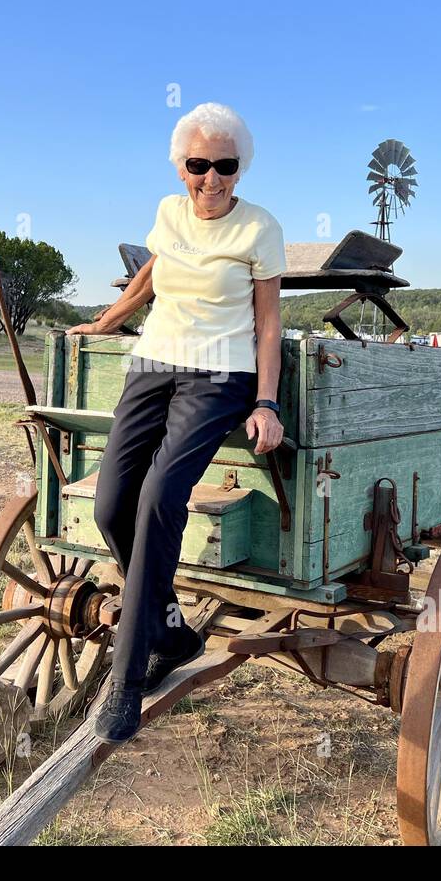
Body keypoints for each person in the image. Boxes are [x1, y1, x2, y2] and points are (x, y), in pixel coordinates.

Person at [66, 103, 286, 744]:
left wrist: (266, 403)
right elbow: (150, 277)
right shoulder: (168, 213)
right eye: (199, 165)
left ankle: (129, 677)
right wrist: (106, 322)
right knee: (111, 506)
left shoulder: (259, 228)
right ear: (181, 166)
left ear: (240, 170)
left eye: (225, 166)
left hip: (220, 375)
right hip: (152, 365)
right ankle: (168, 626)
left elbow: (268, 321)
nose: (211, 179)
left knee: (163, 496)